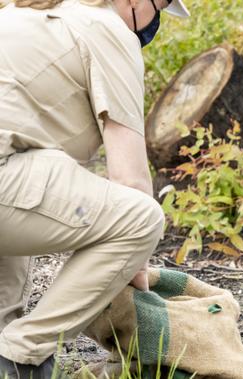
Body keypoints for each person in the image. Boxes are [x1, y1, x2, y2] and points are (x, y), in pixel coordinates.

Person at [0, 0, 189, 376]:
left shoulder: (20, 14)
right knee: (142, 218)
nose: (155, 22)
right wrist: (135, 270)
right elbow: (130, 179)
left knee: (30, 187)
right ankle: (19, 356)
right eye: (161, 6)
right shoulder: (107, 28)